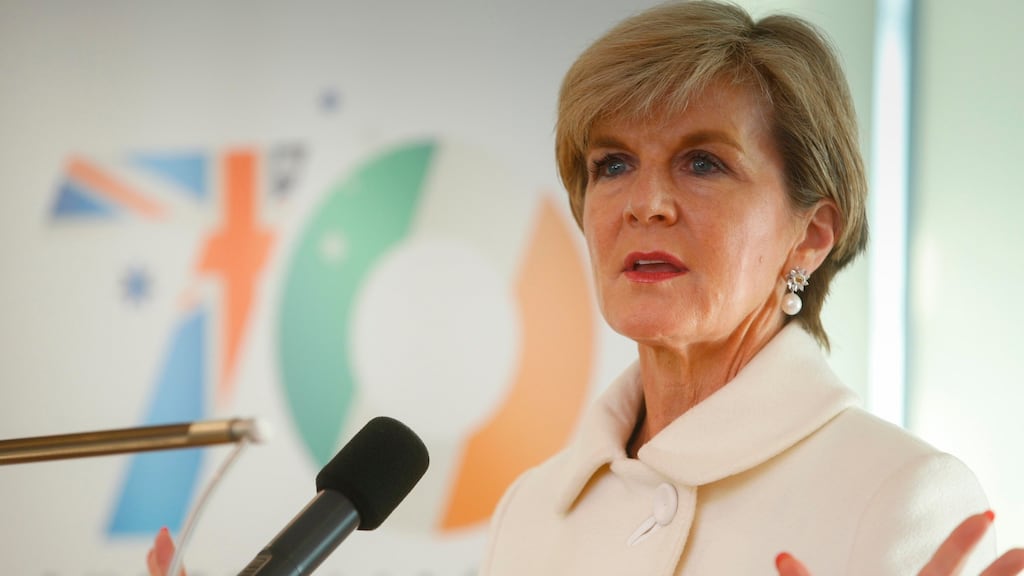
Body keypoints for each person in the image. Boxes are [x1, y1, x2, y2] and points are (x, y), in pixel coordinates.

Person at [148, 1, 1024, 575]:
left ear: (813, 231)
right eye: (612, 165)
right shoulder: (535, 508)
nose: (645, 203)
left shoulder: (902, 495)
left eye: (704, 162)